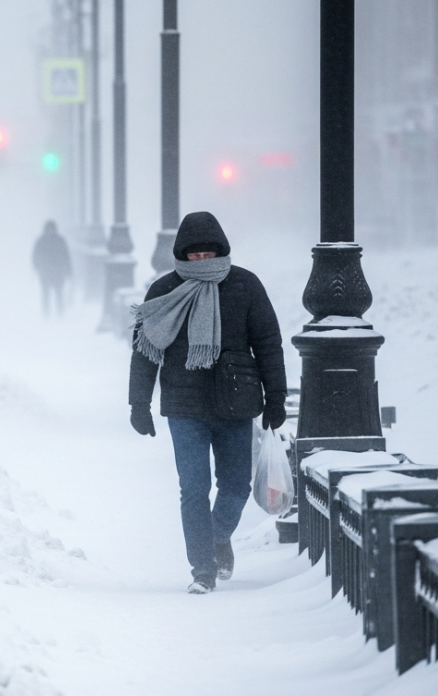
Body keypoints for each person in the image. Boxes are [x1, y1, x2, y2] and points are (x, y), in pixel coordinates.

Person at [127, 211, 286, 595]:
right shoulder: (164, 289)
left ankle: (216, 537)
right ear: (182, 254)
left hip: (236, 404)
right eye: (194, 256)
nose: (201, 261)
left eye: (207, 254)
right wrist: (139, 404)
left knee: (236, 486)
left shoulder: (245, 286)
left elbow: (268, 344)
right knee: (194, 488)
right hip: (184, 407)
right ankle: (203, 570)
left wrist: (276, 396)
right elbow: (145, 351)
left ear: (220, 250)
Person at [32, 220, 73, 316]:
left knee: (56, 293)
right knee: (50, 294)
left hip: (51, 272)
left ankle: (57, 312)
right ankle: (49, 313)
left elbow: (66, 256)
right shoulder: (59, 240)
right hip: (52, 272)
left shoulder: (41, 241)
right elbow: (66, 256)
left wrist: (37, 268)